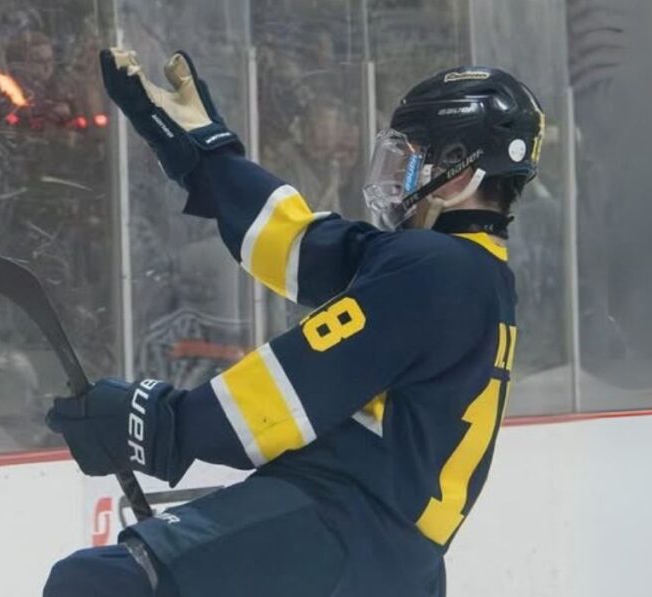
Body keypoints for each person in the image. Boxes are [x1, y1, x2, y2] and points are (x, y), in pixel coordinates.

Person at [45, 49, 544, 597]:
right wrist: (208, 155)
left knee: (96, 583)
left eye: (414, 156)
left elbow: (288, 394)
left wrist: (157, 424)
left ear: (460, 172)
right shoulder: (467, 273)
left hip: (341, 526)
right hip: (393, 557)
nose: (396, 176)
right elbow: (301, 245)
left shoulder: (435, 268)